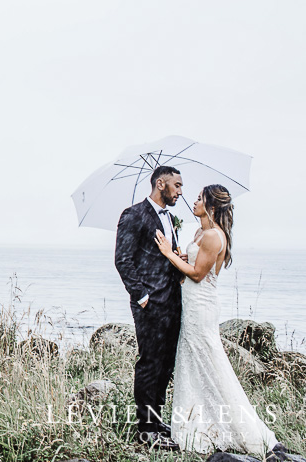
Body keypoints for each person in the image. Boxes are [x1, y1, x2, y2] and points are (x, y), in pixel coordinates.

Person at [155, 184, 279, 456]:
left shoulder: (213, 236)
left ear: (211, 206)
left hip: (202, 304)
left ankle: (245, 430)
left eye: (199, 198)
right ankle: (198, 424)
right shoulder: (201, 232)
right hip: (192, 301)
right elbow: (195, 267)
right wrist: (181, 257)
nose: (194, 201)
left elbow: (198, 275)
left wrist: (168, 254)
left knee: (209, 360)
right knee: (193, 361)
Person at [114, 165, 184, 450]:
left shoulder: (169, 218)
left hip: (173, 301)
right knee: (150, 362)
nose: (180, 191)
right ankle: (146, 429)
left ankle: (156, 419)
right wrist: (141, 296)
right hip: (150, 304)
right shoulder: (133, 215)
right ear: (160, 184)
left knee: (166, 363)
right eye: (177, 185)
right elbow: (123, 260)